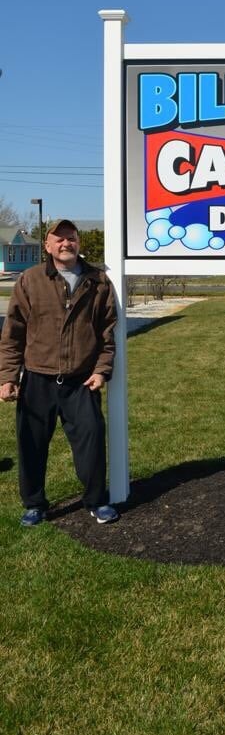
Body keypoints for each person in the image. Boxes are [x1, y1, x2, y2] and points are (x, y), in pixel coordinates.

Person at [0, 219, 119, 526]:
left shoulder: (99, 281)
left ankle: (95, 500)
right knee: (31, 443)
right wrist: (8, 377)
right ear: (48, 246)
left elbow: (108, 334)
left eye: (72, 238)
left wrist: (102, 371)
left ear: (78, 243)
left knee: (92, 436)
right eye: (60, 239)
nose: (67, 243)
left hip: (81, 380)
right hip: (37, 378)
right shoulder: (30, 280)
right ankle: (34, 504)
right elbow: (13, 333)